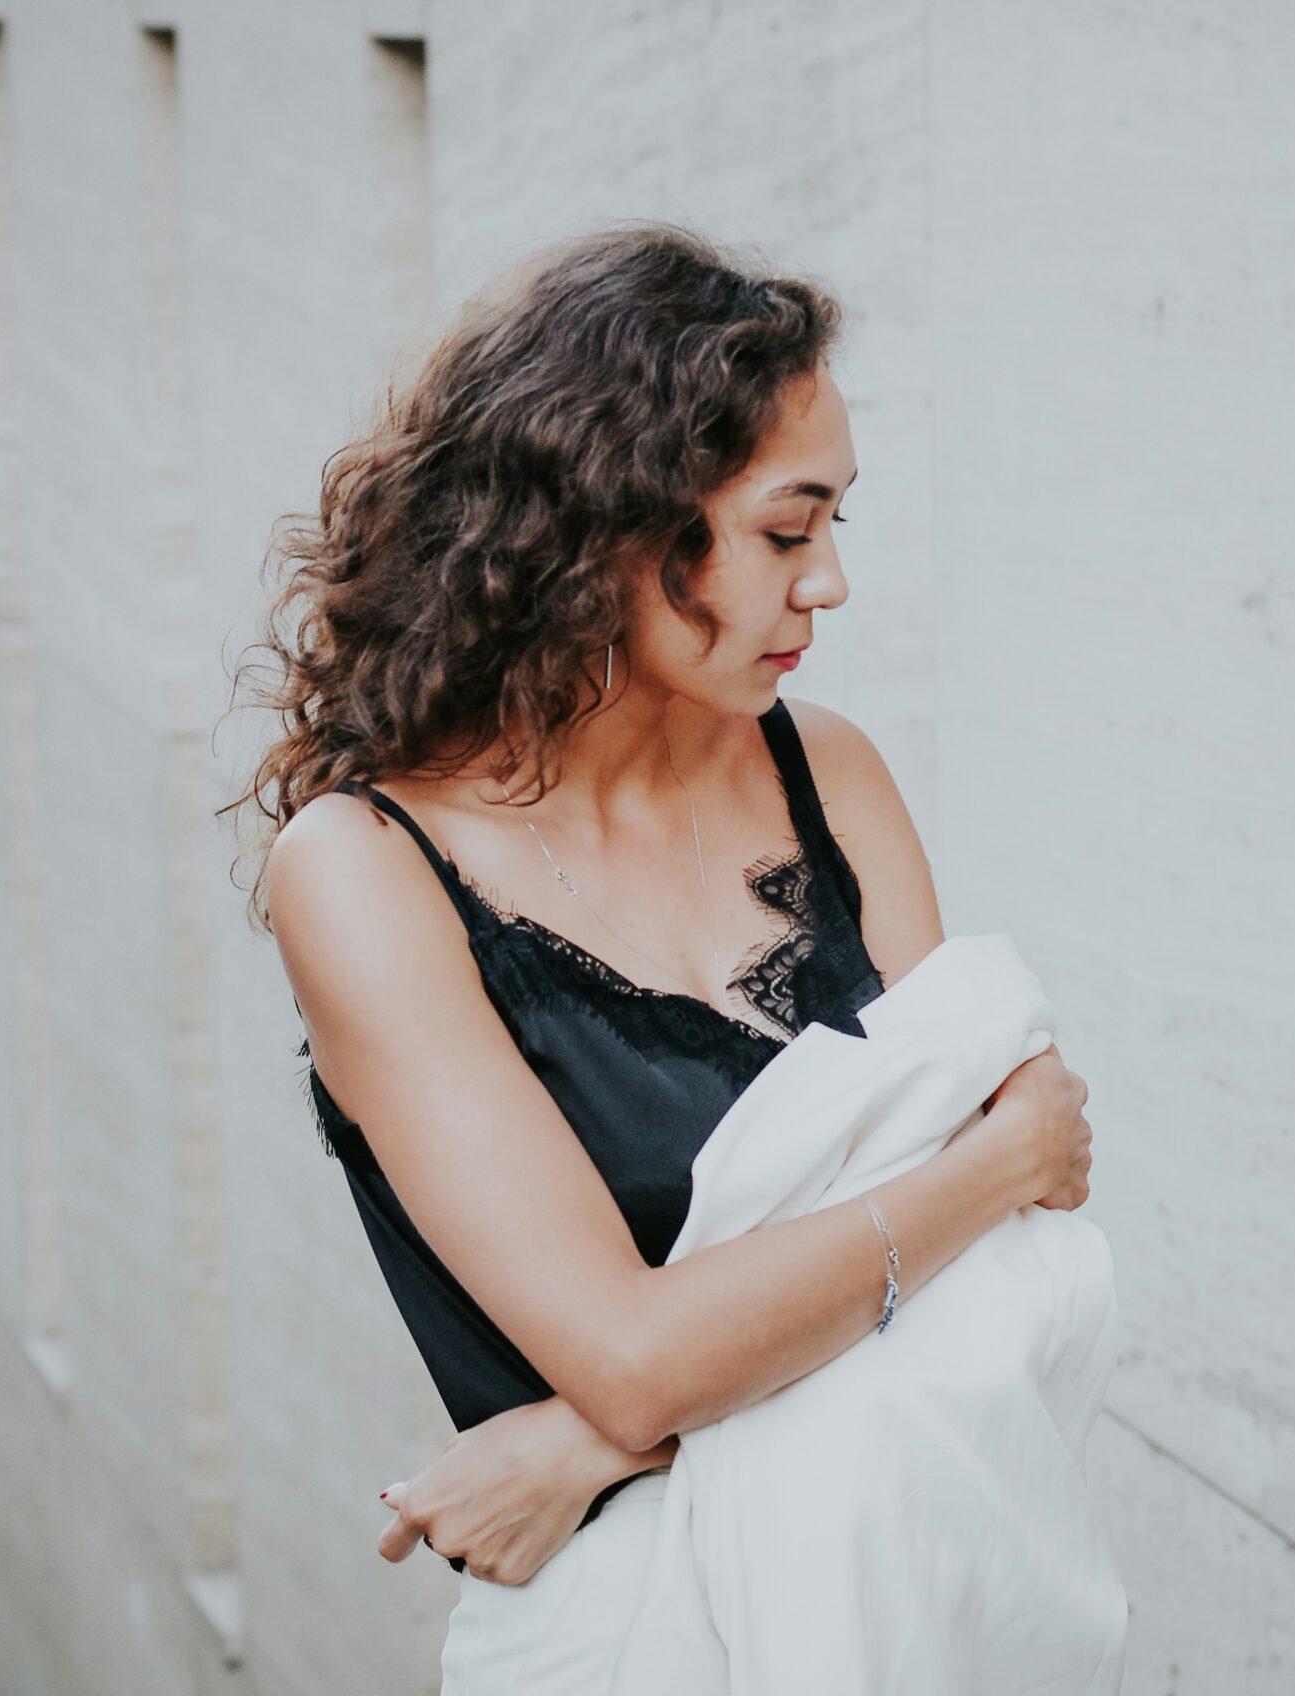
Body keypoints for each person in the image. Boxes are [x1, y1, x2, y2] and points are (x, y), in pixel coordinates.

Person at [226, 221, 1096, 1688]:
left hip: (922, 1608)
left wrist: (590, 1445)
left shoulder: (830, 773)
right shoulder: (368, 870)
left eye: (836, 526)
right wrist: (999, 1163)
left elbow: (1011, 1293)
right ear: (608, 525)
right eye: (785, 532)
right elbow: (634, 1352)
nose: (829, 583)